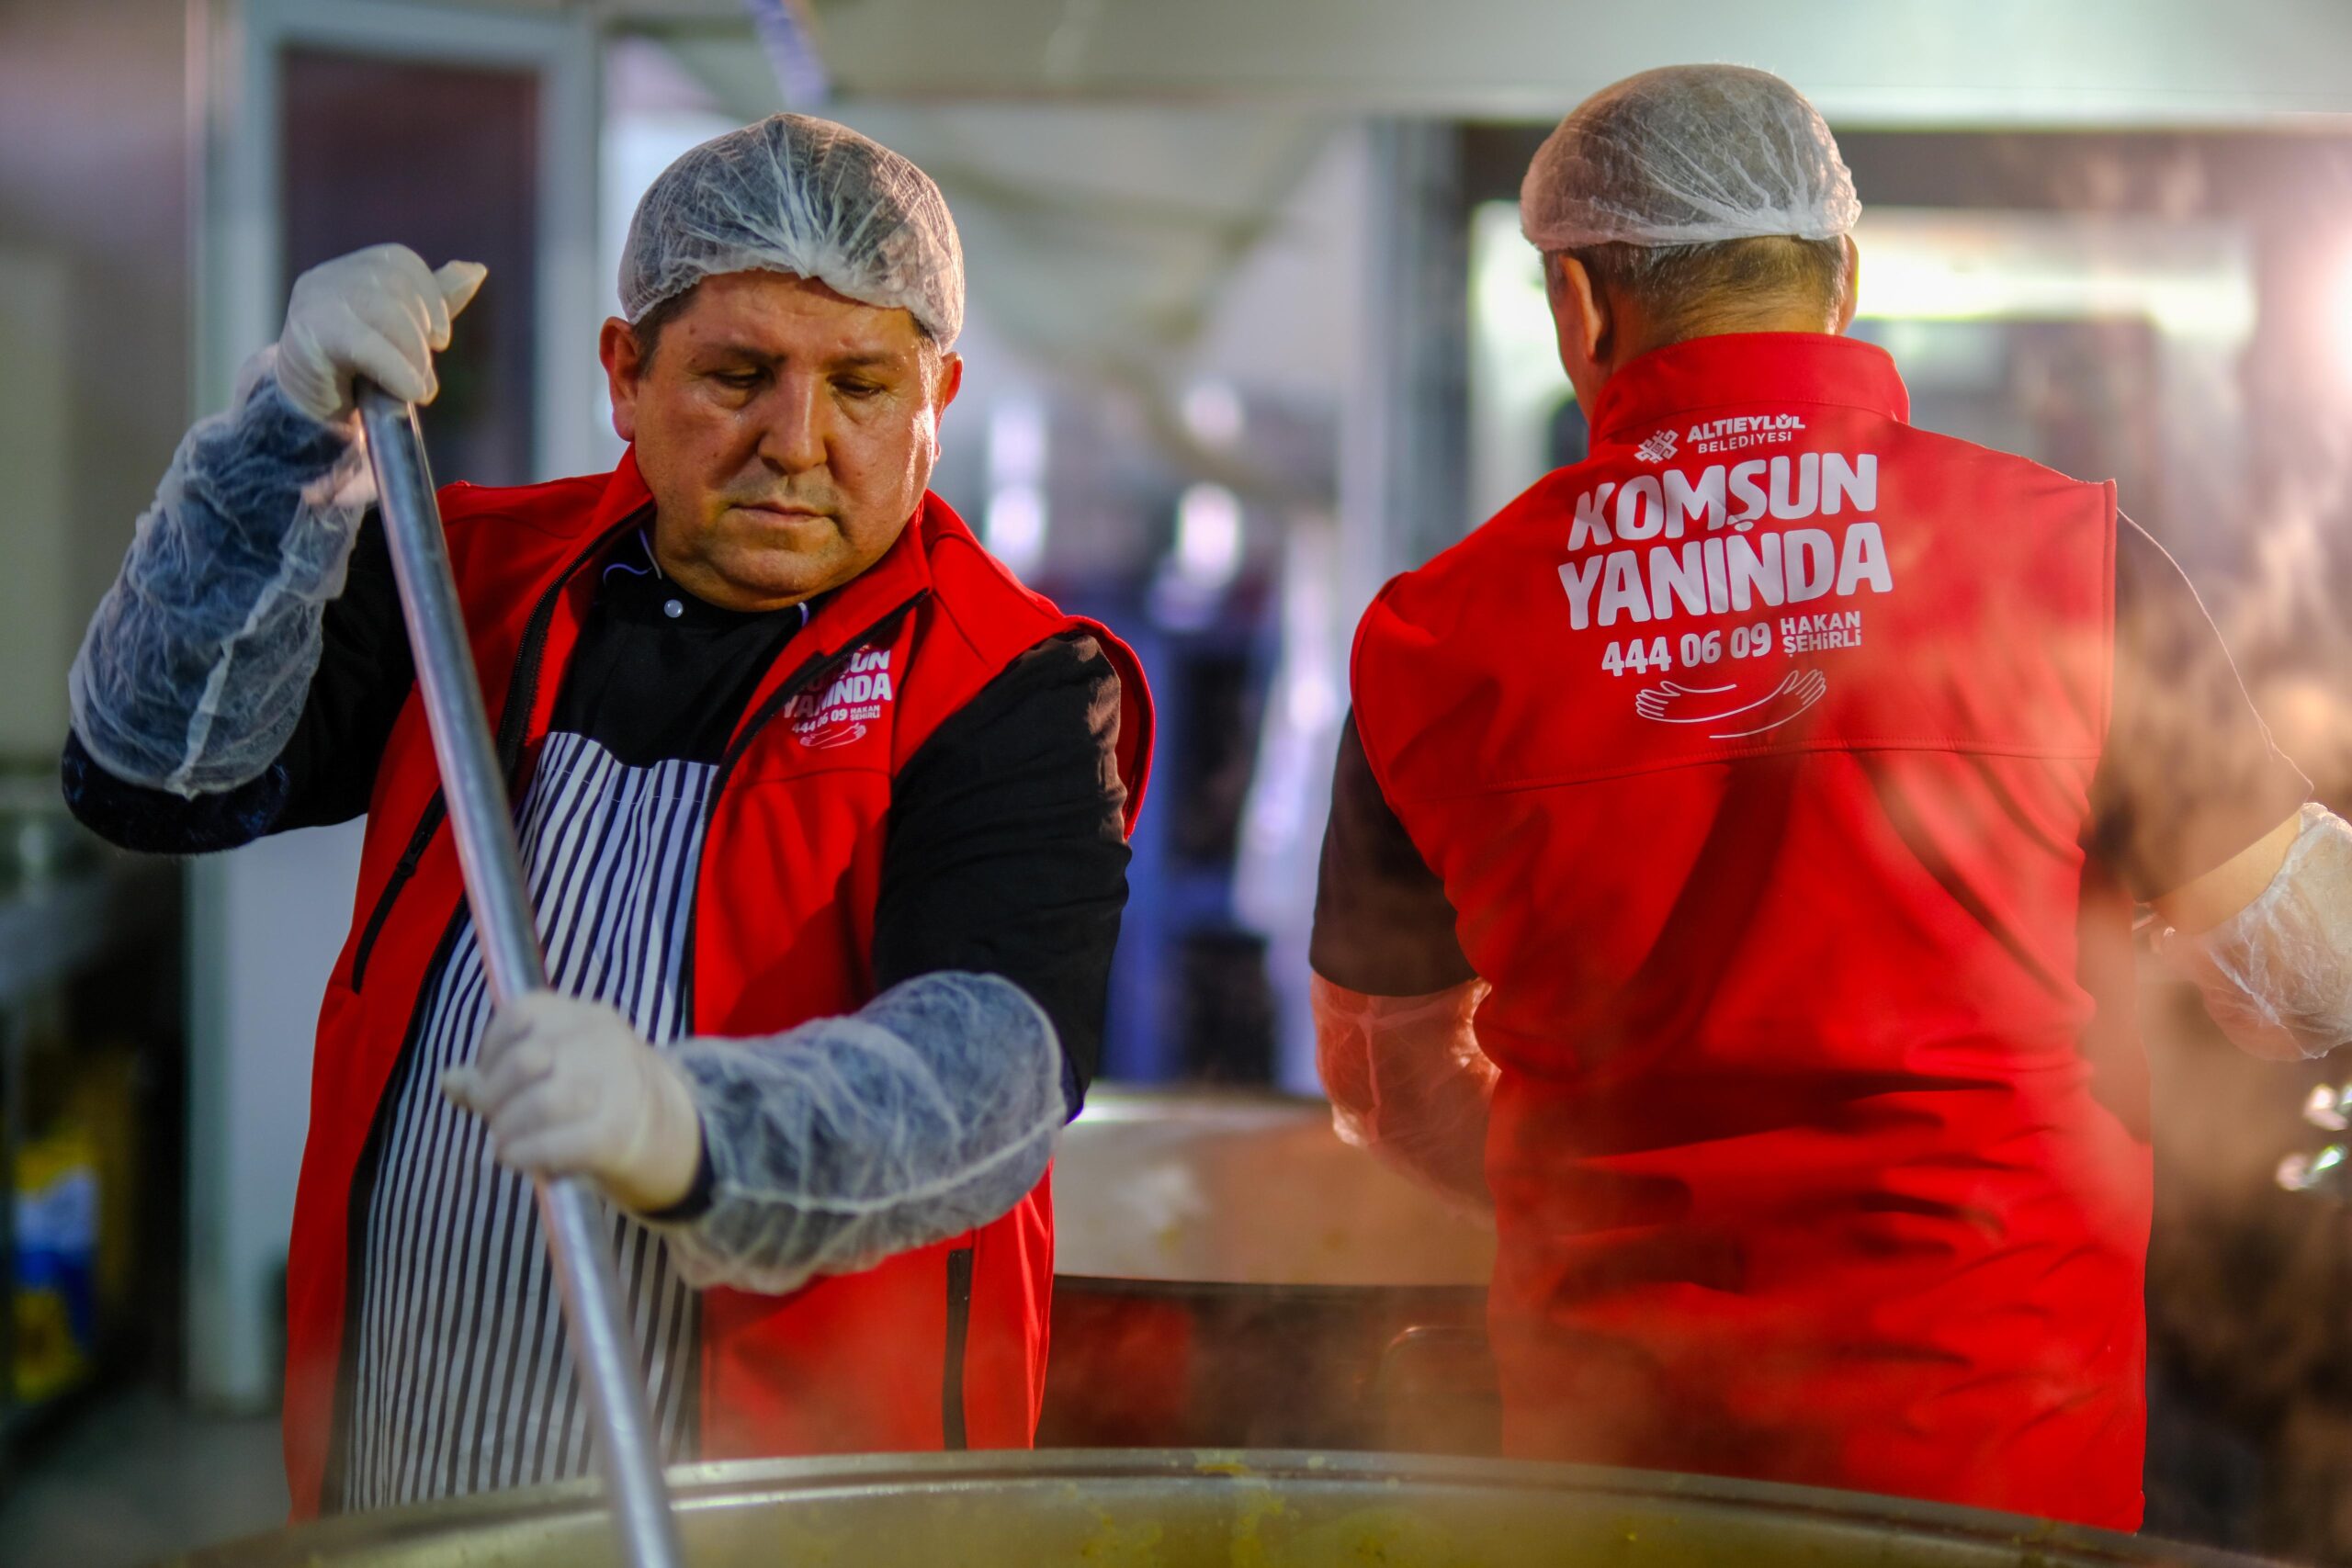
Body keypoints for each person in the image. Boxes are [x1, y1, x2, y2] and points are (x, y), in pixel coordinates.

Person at [1310, 63, 2351, 1530]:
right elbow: (2309, 970)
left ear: (1579, 306)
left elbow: (1381, 1084)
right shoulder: (2064, 558)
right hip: (1990, 1442)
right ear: (1842, 277)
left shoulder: (1432, 635)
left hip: (1615, 1458)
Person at [62, 114, 1150, 1517]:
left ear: (939, 392)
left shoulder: (1005, 683)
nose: (796, 443)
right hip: (409, 1473)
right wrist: (287, 439)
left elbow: (988, 1080)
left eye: (863, 385)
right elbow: (152, 772)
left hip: (802, 1521)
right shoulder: (472, 578)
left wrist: (687, 1129)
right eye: (737, 375)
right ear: (623, 375)